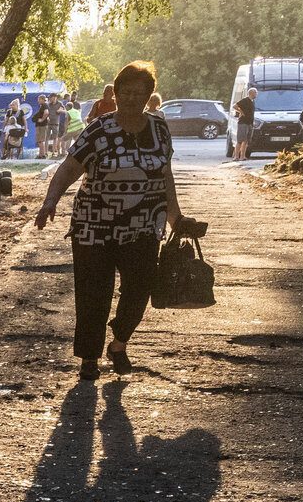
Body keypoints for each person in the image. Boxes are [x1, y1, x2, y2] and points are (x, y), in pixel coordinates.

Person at [33, 60, 187, 382]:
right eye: (125, 92)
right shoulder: (99, 129)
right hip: (94, 226)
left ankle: (118, 343)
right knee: (93, 294)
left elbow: (165, 175)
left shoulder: (159, 129)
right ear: (115, 95)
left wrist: (175, 217)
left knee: (140, 288)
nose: (132, 98)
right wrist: (50, 201)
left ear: (149, 96)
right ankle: (89, 358)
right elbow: (69, 167)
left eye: (139, 92)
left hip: (143, 226)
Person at [234, 87, 256, 160]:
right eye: (255, 93)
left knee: (246, 141)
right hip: (243, 123)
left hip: (250, 123)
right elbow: (235, 106)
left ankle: (243, 156)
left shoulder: (252, 101)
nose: (256, 94)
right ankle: (236, 156)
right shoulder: (245, 100)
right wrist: (241, 112)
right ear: (251, 93)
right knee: (240, 140)